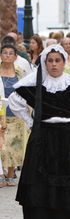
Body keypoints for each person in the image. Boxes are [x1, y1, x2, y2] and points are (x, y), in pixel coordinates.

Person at [8, 44, 70, 219]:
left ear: (64, 62)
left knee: (69, 181)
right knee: (41, 183)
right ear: (44, 63)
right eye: (50, 61)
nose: (54, 65)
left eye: (58, 61)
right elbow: (15, 101)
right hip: (44, 137)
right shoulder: (37, 86)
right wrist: (31, 121)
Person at [0, 44, 27, 187]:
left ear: (16, 56)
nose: (8, 55)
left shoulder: (20, 72)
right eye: (5, 53)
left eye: (11, 53)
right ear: (1, 55)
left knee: (13, 145)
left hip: (16, 113)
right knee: (2, 145)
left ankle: (10, 174)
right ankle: (1, 172)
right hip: (1, 114)